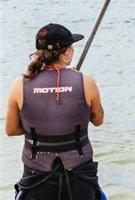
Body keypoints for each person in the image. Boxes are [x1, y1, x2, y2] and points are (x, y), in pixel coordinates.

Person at [5, 23, 105, 200]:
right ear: (66, 54)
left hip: (36, 179)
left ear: (38, 53)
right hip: (80, 178)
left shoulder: (19, 85)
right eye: (71, 47)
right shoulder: (86, 82)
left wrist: (36, 127)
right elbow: (98, 120)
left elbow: (11, 130)